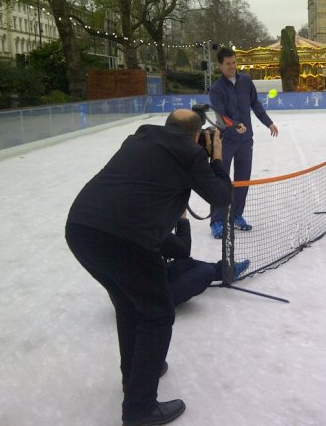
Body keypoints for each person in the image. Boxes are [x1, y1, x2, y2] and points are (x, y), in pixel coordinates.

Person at [64, 109, 231, 426]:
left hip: (81, 229)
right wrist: (217, 157)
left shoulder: (137, 140)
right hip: (127, 240)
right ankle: (140, 410)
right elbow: (221, 195)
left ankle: (137, 376)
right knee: (157, 313)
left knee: (129, 305)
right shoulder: (190, 153)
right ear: (196, 135)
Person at [208, 46, 279, 239]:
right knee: (221, 182)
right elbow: (219, 116)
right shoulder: (216, 89)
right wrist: (235, 125)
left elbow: (255, 104)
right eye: (228, 64)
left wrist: (268, 123)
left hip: (245, 141)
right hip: (225, 142)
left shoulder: (246, 81)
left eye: (234, 62)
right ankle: (217, 221)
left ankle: (236, 215)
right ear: (220, 66)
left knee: (242, 180)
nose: (232, 67)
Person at [162, 213, 250, 306]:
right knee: (206, 271)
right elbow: (183, 251)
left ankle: (226, 270)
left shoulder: (148, 221)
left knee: (186, 263)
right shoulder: (150, 226)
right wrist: (182, 219)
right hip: (154, 299)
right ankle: (226, 270)